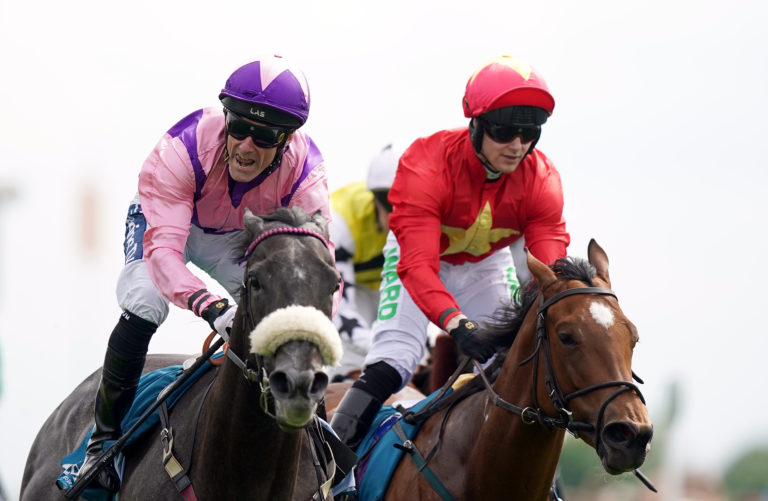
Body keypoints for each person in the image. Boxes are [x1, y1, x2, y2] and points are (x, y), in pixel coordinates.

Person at [77, 55, 333, 492]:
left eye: (266, 135)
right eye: (239, 128)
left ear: (288, 139)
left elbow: (318, 277)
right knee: (145, 302)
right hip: (169, 225)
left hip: (234, 234)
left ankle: (318, 440)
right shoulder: (183, 147)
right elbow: (165, 257)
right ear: (226, 119)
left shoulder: (307, 173)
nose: (247, 146)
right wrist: (214, 308)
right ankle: (102, 441)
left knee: (287, 300)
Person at [331, 55, 571, 449]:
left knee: (518, 363)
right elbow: (419, 268)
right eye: (505, 131)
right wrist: (457, 324)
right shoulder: (425, 164)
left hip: (484, 264)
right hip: (419, 258)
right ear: (474, 123)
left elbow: (548, 273)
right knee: (396, 358)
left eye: (530, 133)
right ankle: (328, 470)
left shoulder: (542, 180)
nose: (518, 146)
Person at [327, 143, 407, 381]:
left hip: (389, 285)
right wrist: (376, 346)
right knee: (355, 355)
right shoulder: (341, 219)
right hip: (351, 291)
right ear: (374, 198)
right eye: (389, 202)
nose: (397, 213)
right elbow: (339, 303)